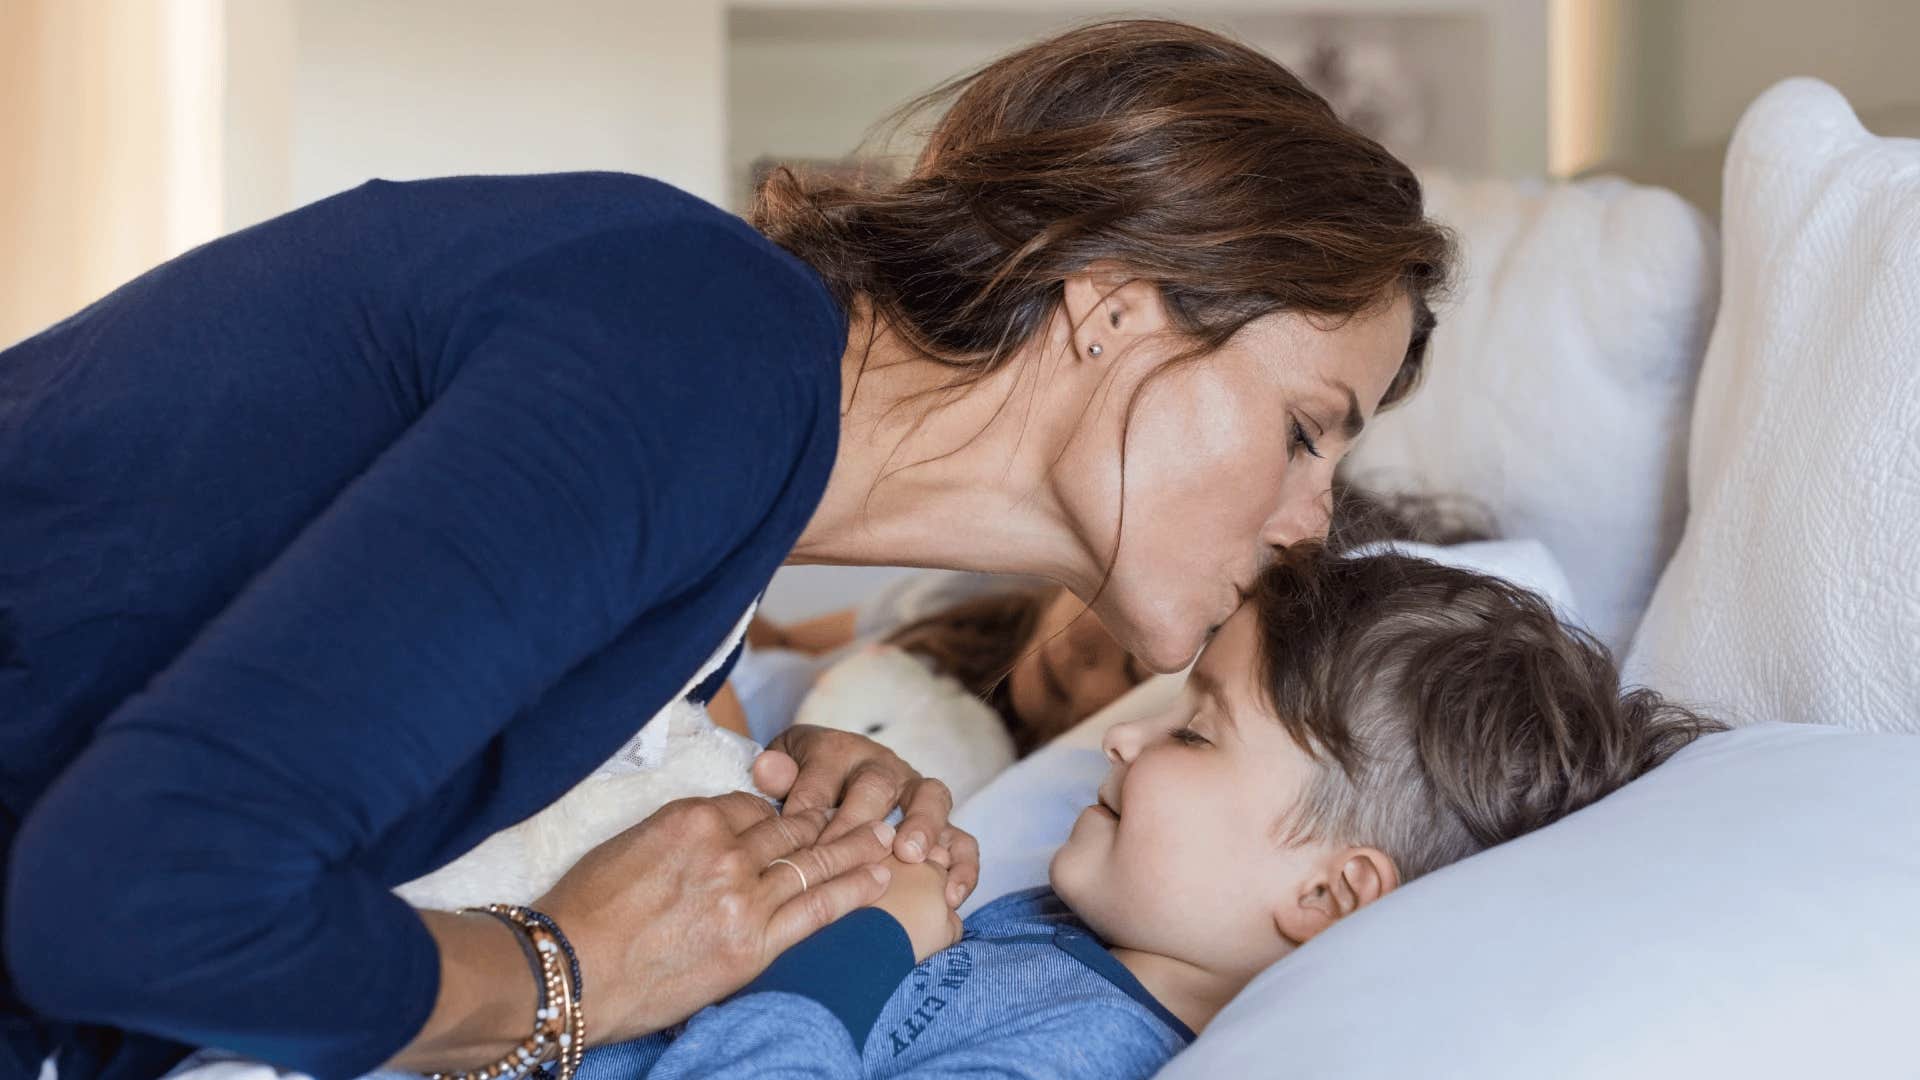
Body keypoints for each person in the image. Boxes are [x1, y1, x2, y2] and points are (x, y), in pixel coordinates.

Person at [0, 18, 1451, 1080]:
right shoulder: (704, 354)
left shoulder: (728, 464)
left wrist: (726, 783)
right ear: (1117, 305)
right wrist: (562, 976)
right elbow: (137, 896)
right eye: (1307, 430)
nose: (1308, 522)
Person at [563, 548, 1727, 1078]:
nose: (1121, 738)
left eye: (1192, 732)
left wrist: (862, 944)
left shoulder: (1087, 1052)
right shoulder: (1068, 933)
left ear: (1325, 893)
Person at [733, 579, 1148, 753]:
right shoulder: (978, 590)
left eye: (1131, 667)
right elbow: (790, 641)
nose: (1083, 640)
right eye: (1108, 602)